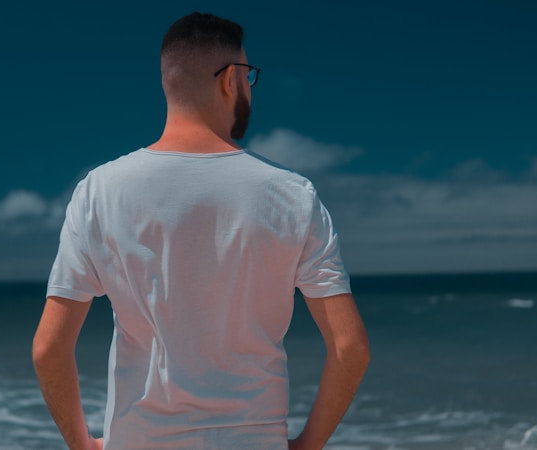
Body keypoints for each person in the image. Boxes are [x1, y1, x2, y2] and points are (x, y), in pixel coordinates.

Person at [33, 12, 370, 450]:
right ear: (230, 79)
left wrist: (83, 445)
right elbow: (350, 348)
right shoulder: (292, 196)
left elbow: (49, 349)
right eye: (248, 75)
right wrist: (306, 446)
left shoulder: (100, 191)